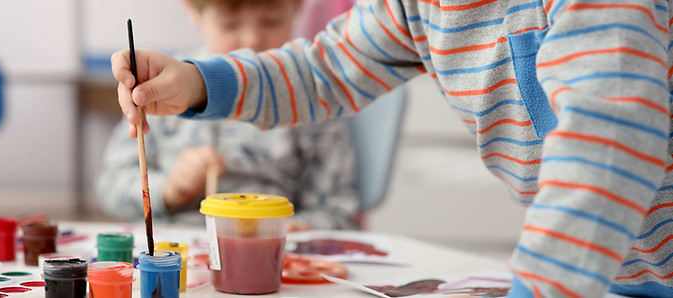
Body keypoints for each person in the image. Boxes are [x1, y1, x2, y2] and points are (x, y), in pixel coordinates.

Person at [111, 0, 673, 296]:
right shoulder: (414, 4)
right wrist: (200, 82)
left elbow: (603, 154)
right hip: (606, 276)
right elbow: (324, 70)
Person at [97, 0, 360, 230]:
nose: (252, 39)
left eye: (271, 21)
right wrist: (170, 190)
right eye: (229, 24)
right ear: (193, 9)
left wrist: (297, 228)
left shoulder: (311, 95)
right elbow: (111, 185)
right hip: (176, 250)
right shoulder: (161, 87)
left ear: (298, 5)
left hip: (270, 252)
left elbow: (338, 212)